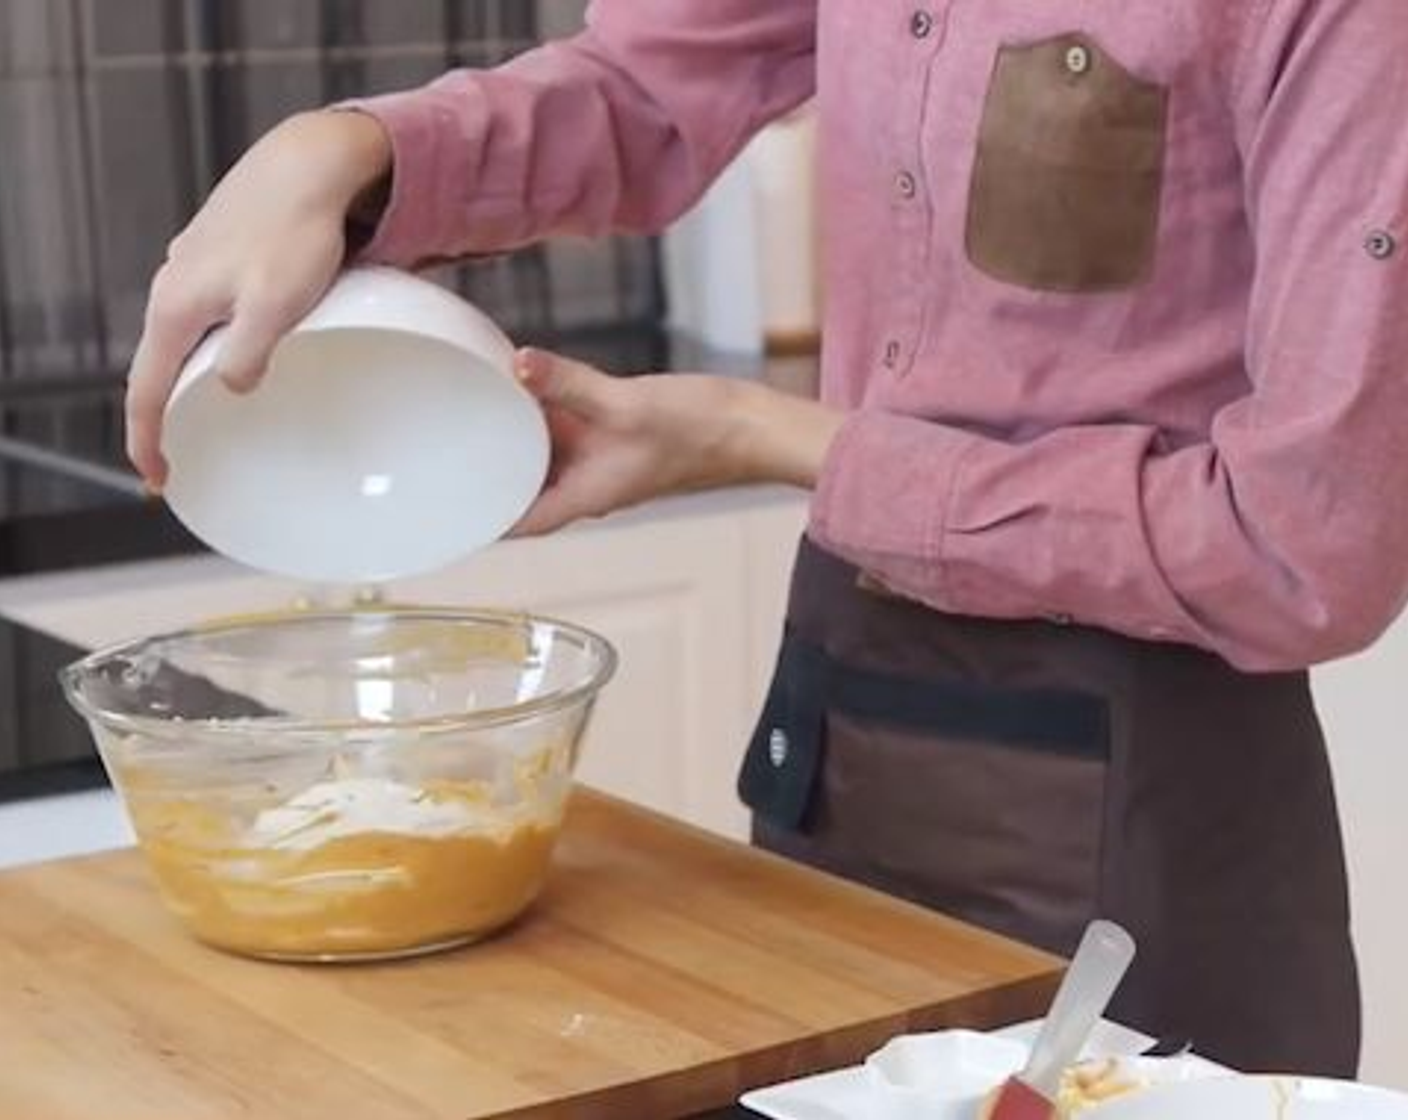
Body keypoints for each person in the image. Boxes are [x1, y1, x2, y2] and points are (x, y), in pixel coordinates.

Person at [124, 2, 1408, 1076]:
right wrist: (341, 150)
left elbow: (1302, 547)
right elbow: (645, 89)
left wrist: (764, 436)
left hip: (1146, 780)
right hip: (836, 707)